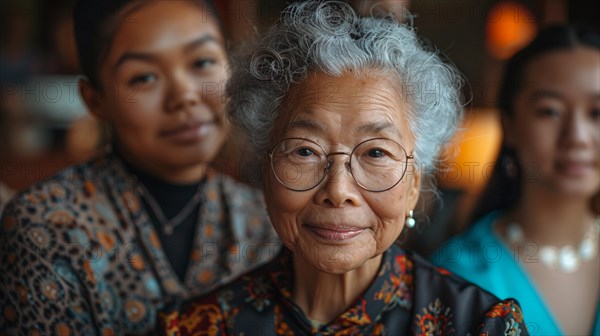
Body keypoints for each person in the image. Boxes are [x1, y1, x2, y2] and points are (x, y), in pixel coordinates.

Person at [160, 1, 530, 334]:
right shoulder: (197, 327)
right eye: (305, 151)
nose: (338, 191)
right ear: (266, 169)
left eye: (375, 154)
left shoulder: (478, 325)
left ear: (414, 184)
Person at [0, 0, 279, 334]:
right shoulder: (46, 224)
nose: (184, 96)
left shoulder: (264, 222)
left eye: (203, 61)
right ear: (95, 100)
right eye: (144, 77)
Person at [431, 25, 600, 336]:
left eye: (596, 113)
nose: (577, 137)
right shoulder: (457, 277)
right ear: (509, 125)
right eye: (550, 111)